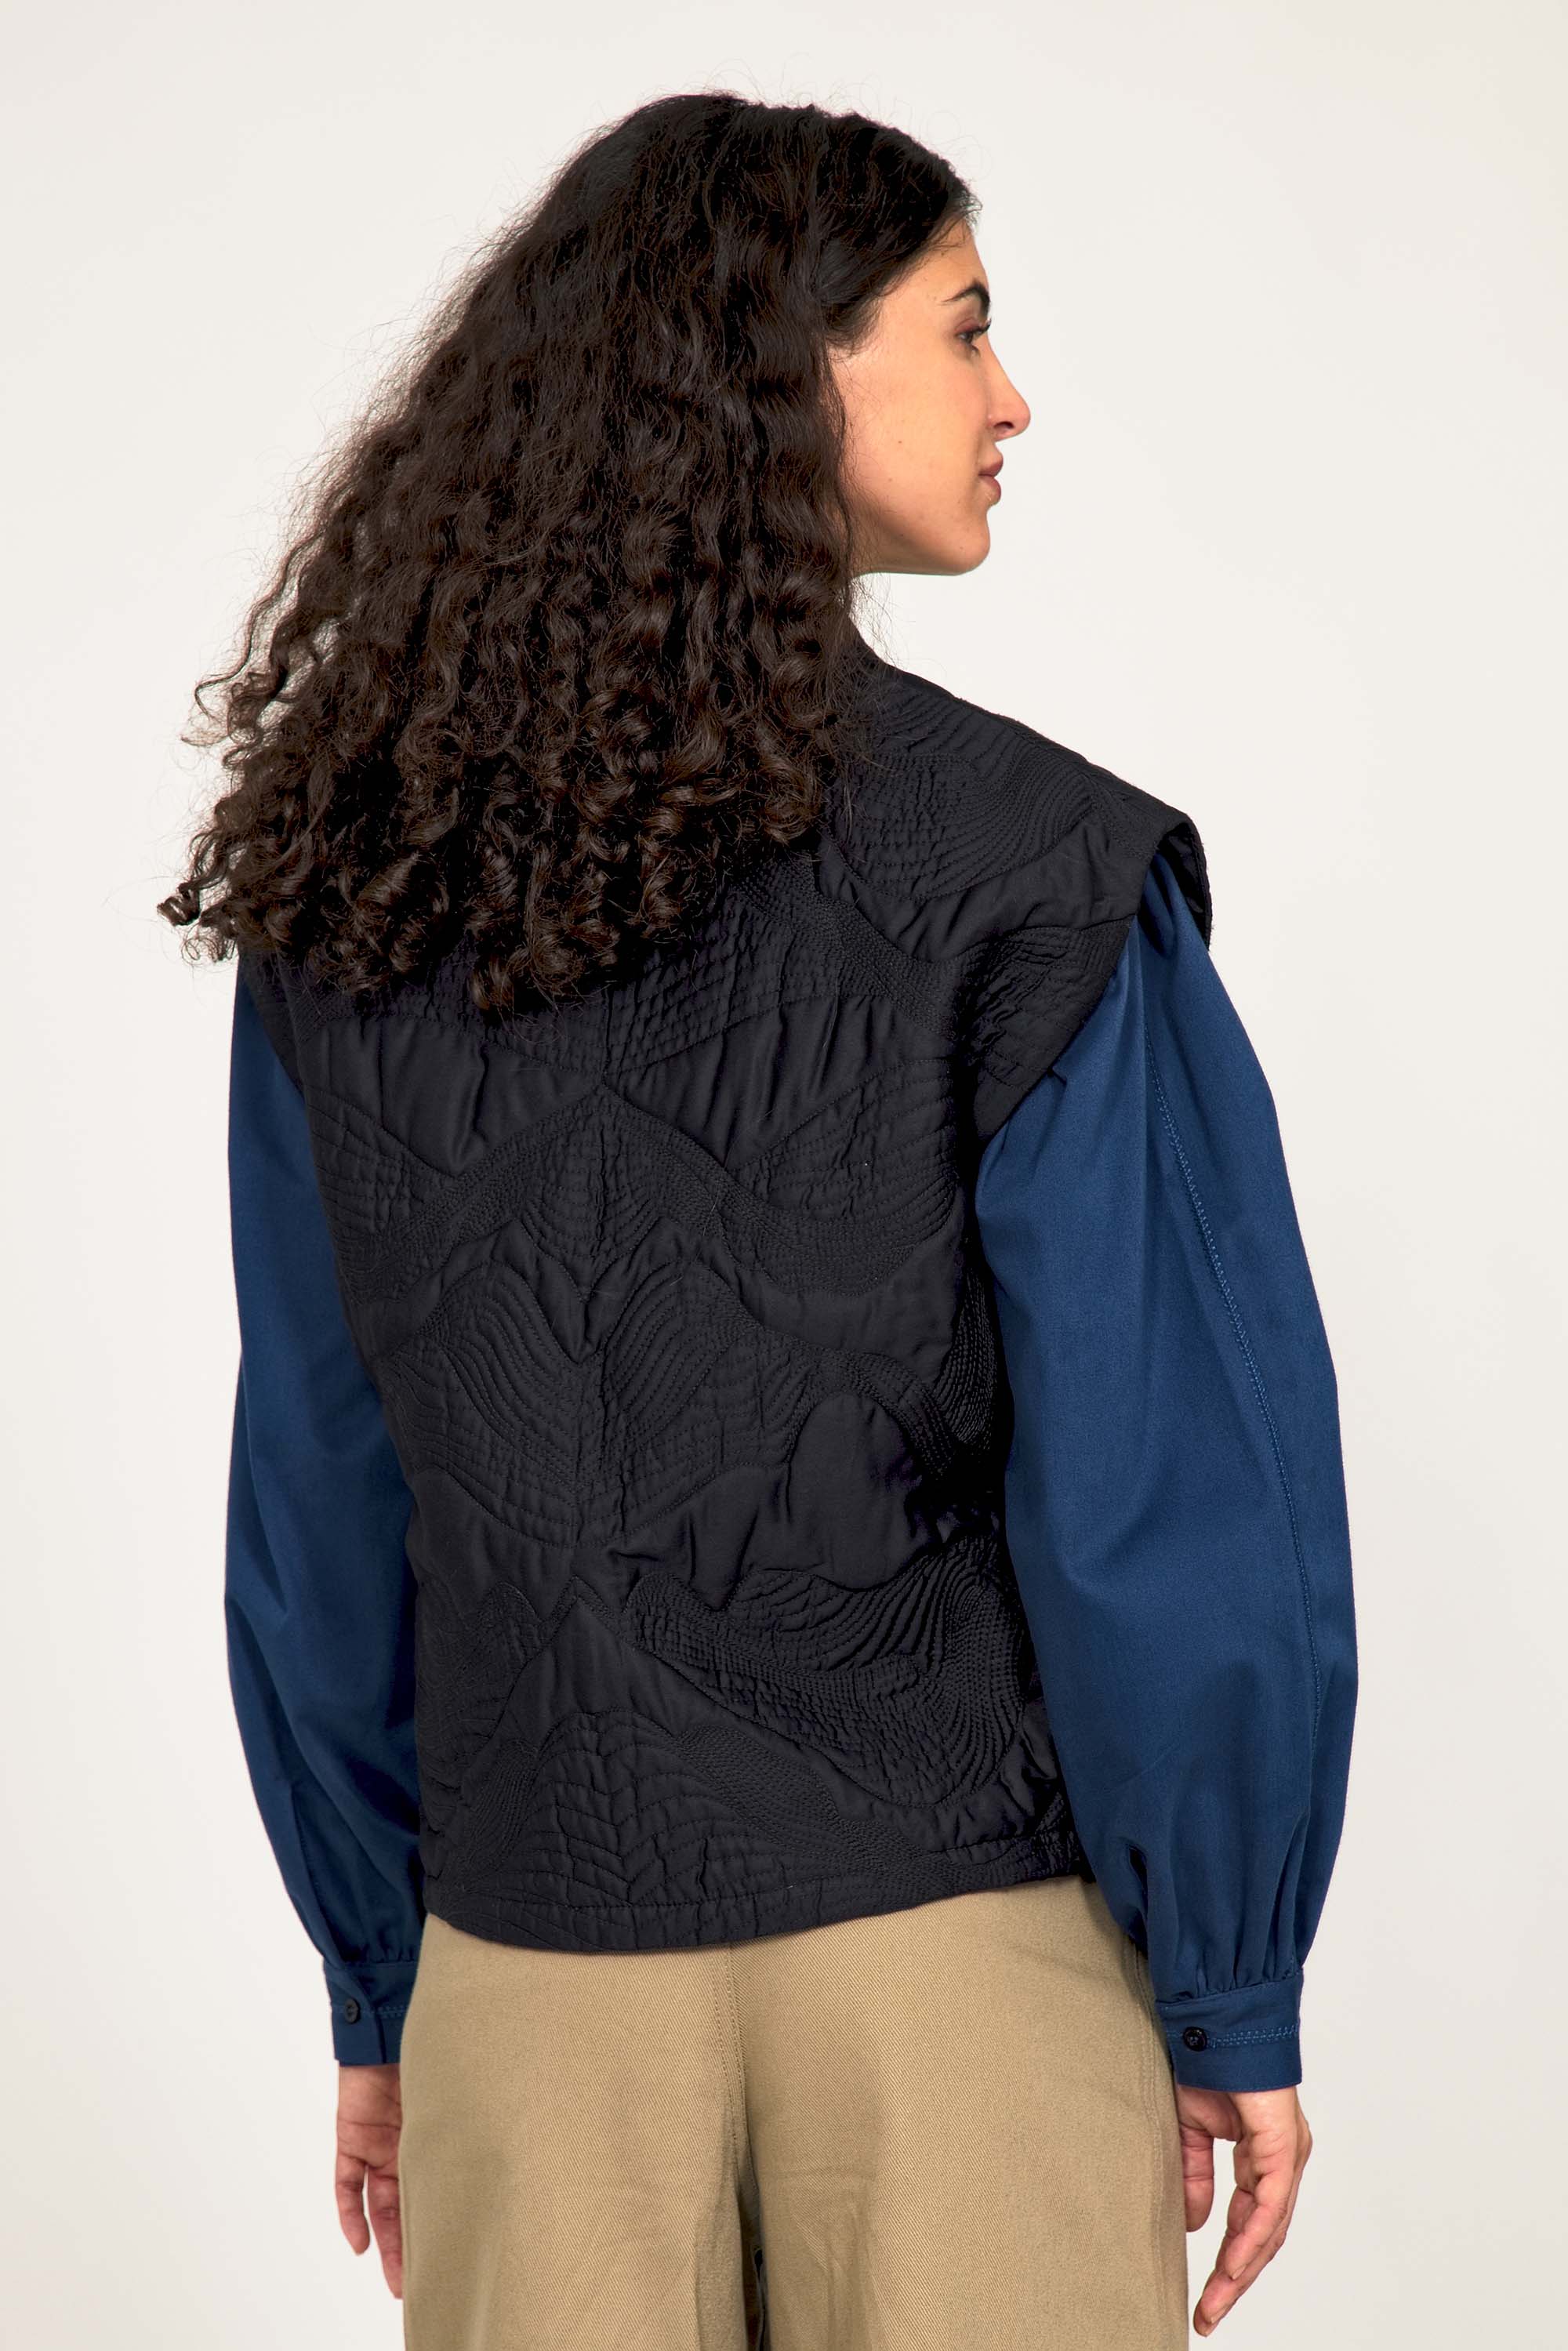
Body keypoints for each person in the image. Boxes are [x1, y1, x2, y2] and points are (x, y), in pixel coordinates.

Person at [162, 93, 1358, 2351]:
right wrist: (1230, 1979)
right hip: (959, 1982)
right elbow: (1176, 1487)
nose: (1014, 398)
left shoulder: (353, 900)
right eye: (967, 329)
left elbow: (319, 1490)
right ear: (788, 367)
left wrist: (384, 1976)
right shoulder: (1035, 874)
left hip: (525, 1985)